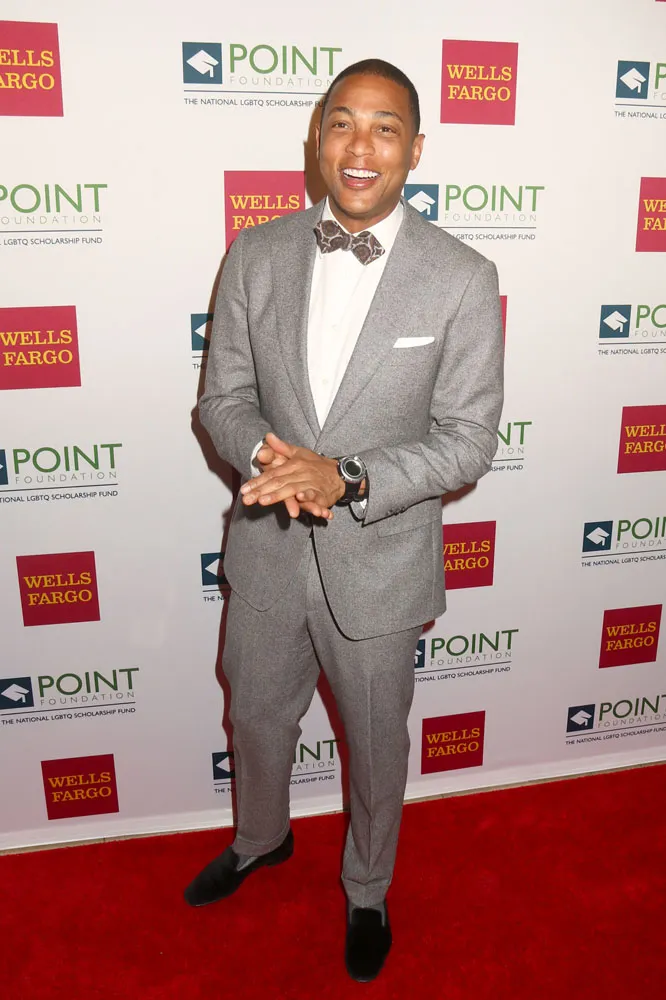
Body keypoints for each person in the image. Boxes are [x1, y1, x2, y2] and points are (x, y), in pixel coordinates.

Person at [188, 58, 504, 982]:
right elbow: (222, 400)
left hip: (381, 563)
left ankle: (368, 888)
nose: (360, 146)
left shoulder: (462, 276)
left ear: (415, 148)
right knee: (255, 715)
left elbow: (468, 441)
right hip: (267, 549)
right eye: (342, 123)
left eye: (384, 127)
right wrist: (272, 463)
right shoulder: (255, 254)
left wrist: (347, 477)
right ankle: (261, 837)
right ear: (317, 139)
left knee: (374, 743)